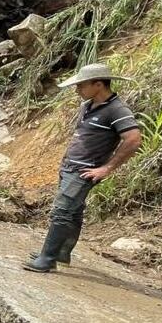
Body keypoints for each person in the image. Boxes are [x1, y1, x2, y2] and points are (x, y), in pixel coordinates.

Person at [24, 63, 142, 273]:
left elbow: (133, 139)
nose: (77, 90)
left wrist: (106, 168)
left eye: (81, 85)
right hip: (70, 166)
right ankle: (61, 253)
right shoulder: (88, 105)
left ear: (98, 84)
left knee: (62, 211)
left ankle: (47, 259)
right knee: (74, 211)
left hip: (85, 171)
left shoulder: (117, 110)